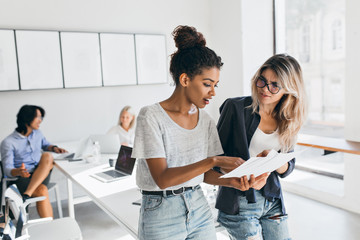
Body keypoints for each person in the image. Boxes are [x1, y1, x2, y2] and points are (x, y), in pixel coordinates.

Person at [131, 25, 267, 240]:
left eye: (215, 85)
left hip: (198, 206)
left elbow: (203, 175)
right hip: (160, 211)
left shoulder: (206, 121)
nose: (213, 92)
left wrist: (232, 181)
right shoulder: (150, 116)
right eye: (207, 84)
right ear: (185, 80)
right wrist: (214, 160)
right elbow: (163, 179)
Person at [214, 54, 307, 240]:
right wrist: (243, 173)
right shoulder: (236, 108)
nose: (265, 89)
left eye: (275, 86)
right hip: (240, 200)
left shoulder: (289, 119)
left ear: (289, 89)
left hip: (272, 199)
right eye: (262, 81)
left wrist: (273, 160)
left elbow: (287, 168)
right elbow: (215, 159)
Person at [0, 105, 67, 218]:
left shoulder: (38, 133)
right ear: (27, 119)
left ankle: (27, 194)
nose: (40, 121)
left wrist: (54, 148)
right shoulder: (8, 142)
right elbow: (7, 169)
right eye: (38, 117)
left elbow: (45, 145)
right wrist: (19, 171)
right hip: (21, 179)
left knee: (47, 155)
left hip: (40, 174)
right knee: (42, 190)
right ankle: (51, 228)